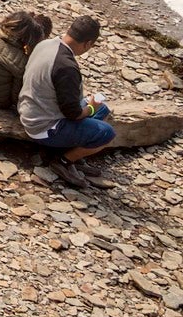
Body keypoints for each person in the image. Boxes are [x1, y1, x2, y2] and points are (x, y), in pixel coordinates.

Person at [17, 13, 115, 188]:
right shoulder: (66, 67)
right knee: (106, 133)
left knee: (104, 109)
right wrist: (90, 108)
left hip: (30, 108)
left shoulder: (45, 44)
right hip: (44, 127)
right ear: (88, 44)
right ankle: (63, 161)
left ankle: (72, 152)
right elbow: (74, 114)